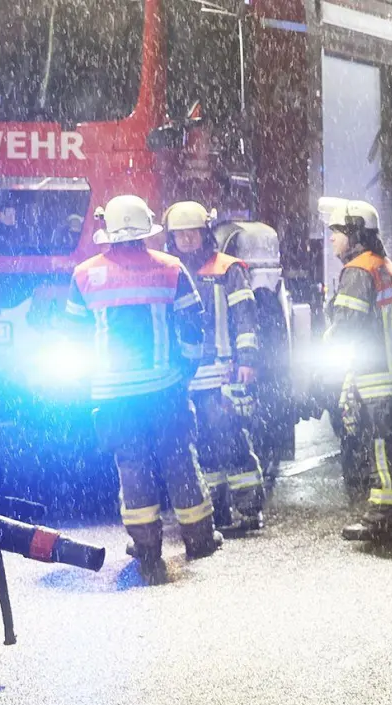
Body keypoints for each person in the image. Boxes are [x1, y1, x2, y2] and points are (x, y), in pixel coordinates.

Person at [61, 195, 221, 584]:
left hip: (114, 395)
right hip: (164, 389)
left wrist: (87, 380)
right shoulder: (171, 268)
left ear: (108, 230)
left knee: (132, 465)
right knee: (179, 460)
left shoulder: (84, 274)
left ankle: (146, 545)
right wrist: (184, 371)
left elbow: (72, 337)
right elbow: (192, 326)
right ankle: (199, 538)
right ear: (146, 230)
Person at [164, 201, 266, 534]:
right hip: (191, 374)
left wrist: (247, 359)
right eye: (180, 235)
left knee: (232, 441)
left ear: (205, 233)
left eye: (192, 233)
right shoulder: (171, 270)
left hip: (223, 370)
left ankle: (249, 511)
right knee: (204, 447)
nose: (186, 240)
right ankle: (217, 512)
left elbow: (245, 317)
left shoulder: (227, 269)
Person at [319, 197, 392, 544]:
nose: (332, 238)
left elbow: (347, 324)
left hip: (376, 377)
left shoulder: (359, 270)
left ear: (355, 233)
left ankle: (384, 518)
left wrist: (326, 349)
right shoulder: (382, 264)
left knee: (379, 445)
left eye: (337, 231)